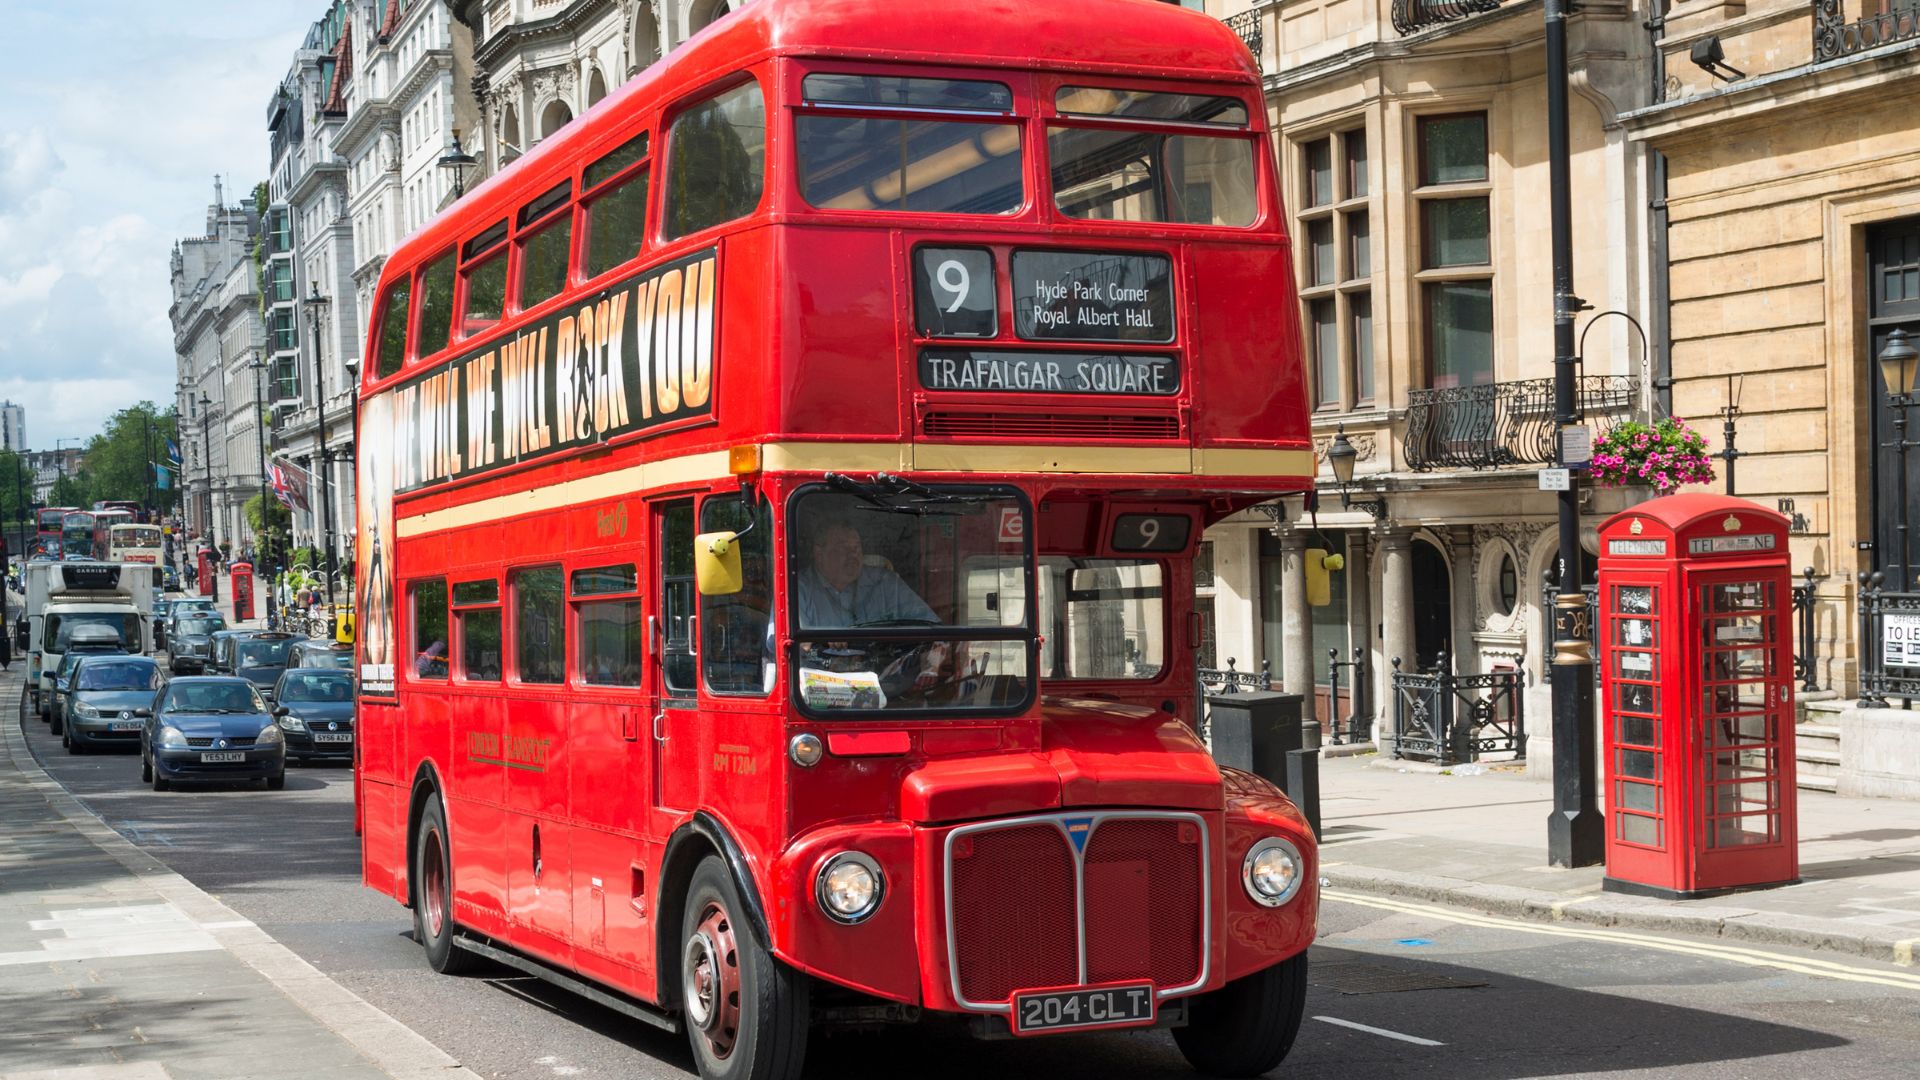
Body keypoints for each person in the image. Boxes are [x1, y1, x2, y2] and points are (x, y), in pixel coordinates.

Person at [792, 515, 948, 691]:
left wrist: (929, 668)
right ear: (819, 554)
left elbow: (933, 630)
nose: (853, 556)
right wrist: (820, 639)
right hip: (820, 697)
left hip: (886, 687)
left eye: (856, 548)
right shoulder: (797, 589)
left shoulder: (886, 583)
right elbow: (789, 644)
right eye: (844, 549)